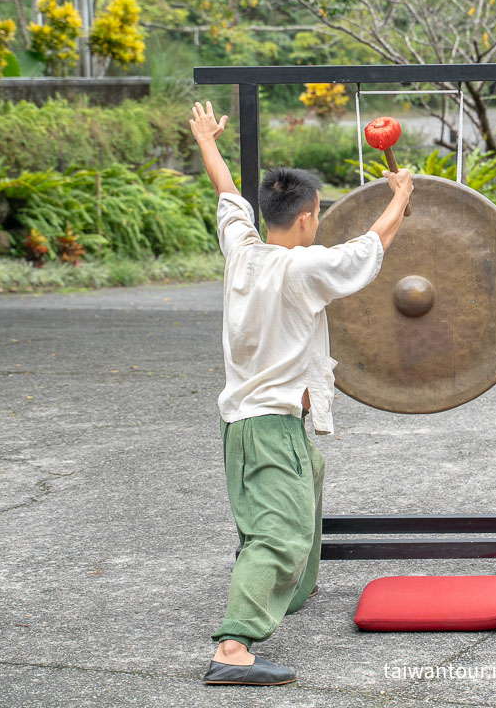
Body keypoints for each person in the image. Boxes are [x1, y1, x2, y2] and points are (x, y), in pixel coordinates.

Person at [188, 100, 414, 686]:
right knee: (281, 532)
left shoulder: (242, 249)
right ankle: (233, 648)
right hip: (269, 425)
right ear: (309, 218)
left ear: (270, 214)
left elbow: (226, 195)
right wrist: (400, 195)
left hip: (242, 423)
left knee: (307, 477)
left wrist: (209, 141)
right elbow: (368, 249)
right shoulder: (302, 269)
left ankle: (291, 590)